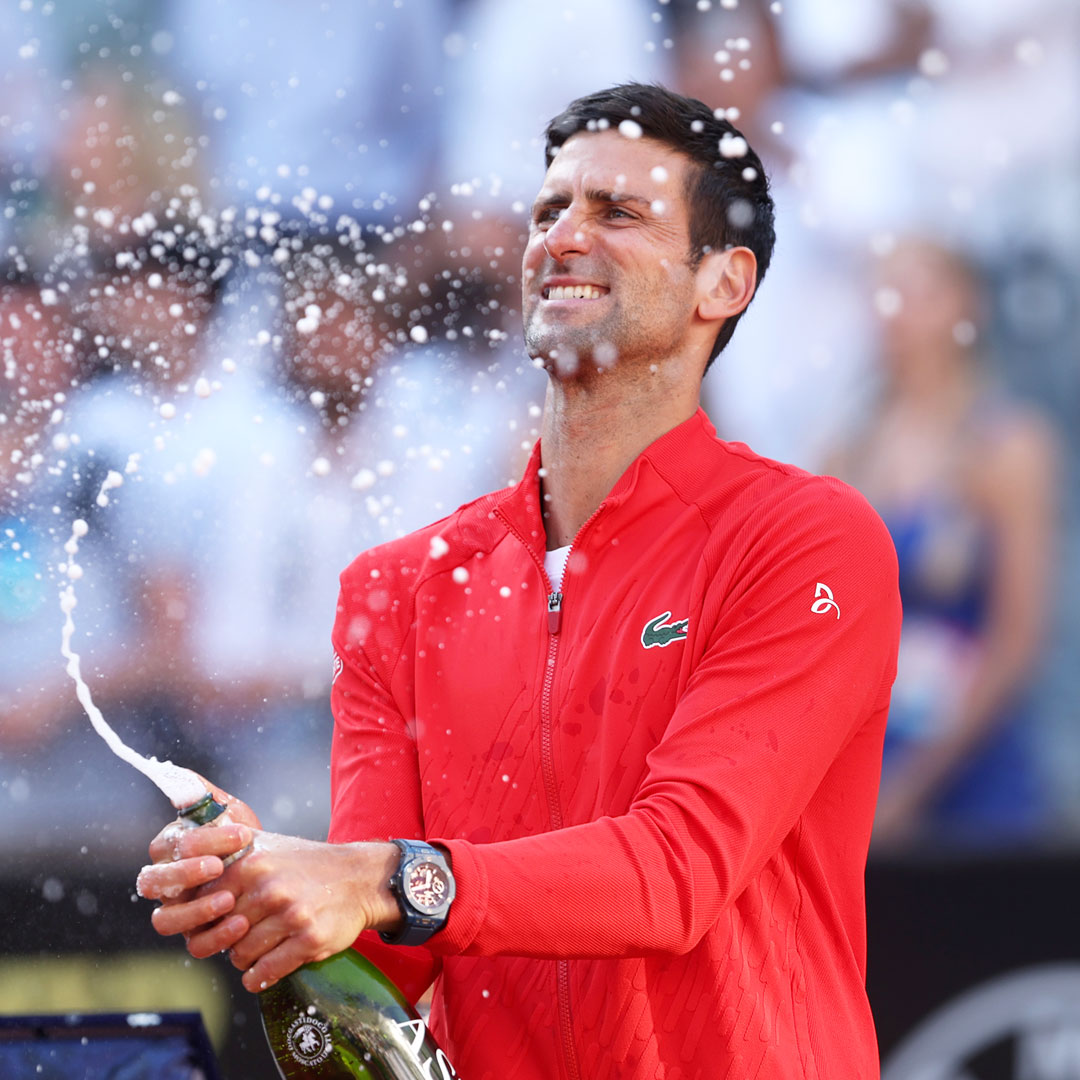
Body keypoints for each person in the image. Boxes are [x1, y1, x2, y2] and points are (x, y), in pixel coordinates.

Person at [137, 84, 902, 1079]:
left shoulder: (808, 542)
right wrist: (274, 902)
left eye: (615, 211)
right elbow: (379, 986)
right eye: (549, 211)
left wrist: (373, 878)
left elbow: (676, 874)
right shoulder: (397, 587)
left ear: (724, 283)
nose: (561, 237)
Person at [830, 237, 1059, 850]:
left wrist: (914, 782)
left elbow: (1017, 638)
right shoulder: (845, 451)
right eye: (887, 292)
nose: (899, 310)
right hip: (867, 751)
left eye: (920, 291)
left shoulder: (1005, 446)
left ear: (967, 307)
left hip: (973, 756)